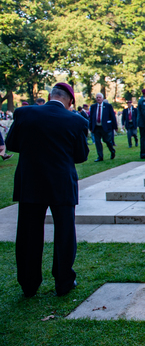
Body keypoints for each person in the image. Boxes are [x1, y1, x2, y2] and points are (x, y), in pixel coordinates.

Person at [6, 82, 89, 297]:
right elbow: (80, 156)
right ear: (70, 101)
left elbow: (12, 143)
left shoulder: (24, 113)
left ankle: (29, 283)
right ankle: (63, 281)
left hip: (31, 181)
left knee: (28, 234)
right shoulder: (76, 121)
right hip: (61, 183)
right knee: (64, 233)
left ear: (50, 95)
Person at [89, 93, 117, 162]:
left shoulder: (108, 106)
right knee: (97, 142)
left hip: (106, 127)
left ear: (102, 98)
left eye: (100, 97)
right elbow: (91, 118)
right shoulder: (93, 107)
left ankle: (112, 151)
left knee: (107, 141)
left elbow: (112, 116)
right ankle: (100, 156)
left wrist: (115, 126)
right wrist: (90, 127)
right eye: (97, 97)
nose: (98, 98)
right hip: (96, 127)